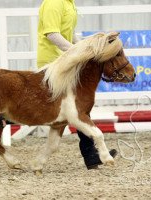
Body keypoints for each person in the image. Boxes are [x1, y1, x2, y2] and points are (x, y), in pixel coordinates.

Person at [37, 0, 117, 169]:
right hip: (54, 62)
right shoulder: (53, 3)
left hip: (66, 60)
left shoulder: (69, 3)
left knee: (79, 107)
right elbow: (52, 34)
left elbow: (69, 35)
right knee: (75, 108)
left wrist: (88, 47)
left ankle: (90, 155)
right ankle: (2, 116)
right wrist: (77, 51)